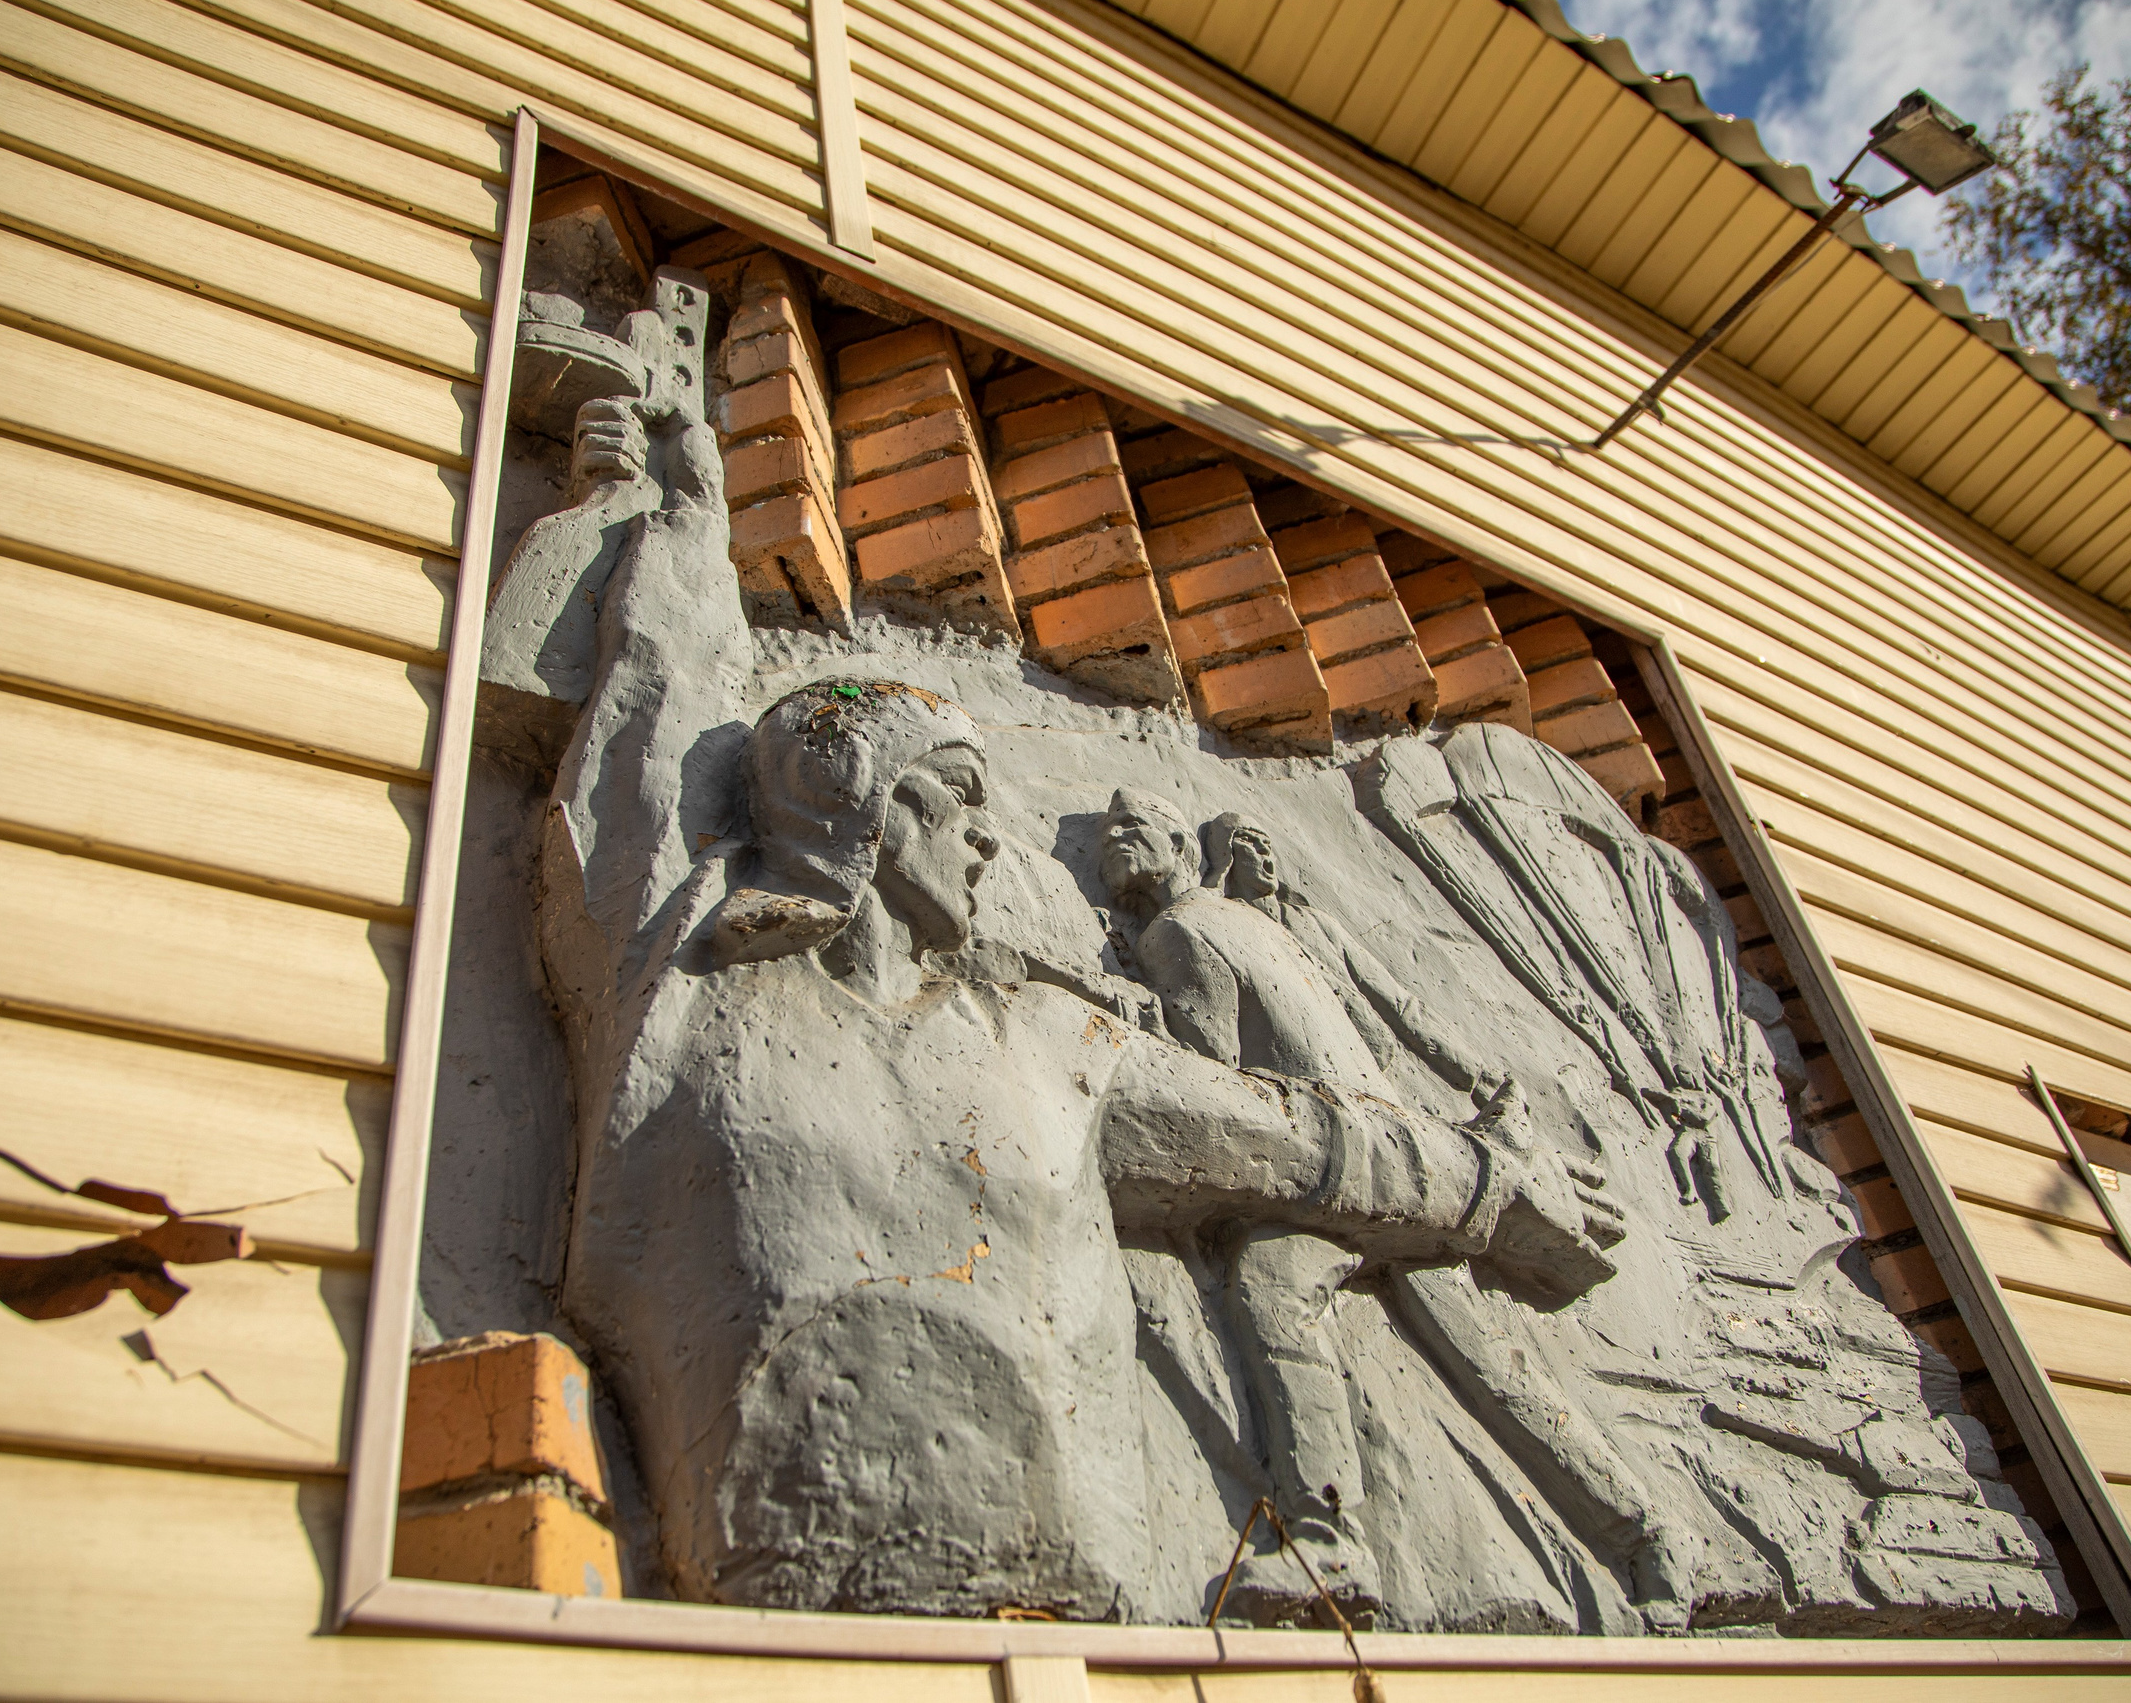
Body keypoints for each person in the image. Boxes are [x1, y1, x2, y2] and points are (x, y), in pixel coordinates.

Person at [523, 395, 1610, 1620]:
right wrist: (677, 515)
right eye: (959, 794)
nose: (993, 835)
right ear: (852, 802)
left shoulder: (1052, 1042)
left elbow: (1302, 1142)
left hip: (1079, 1619)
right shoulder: (685, 989)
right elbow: (654, 718)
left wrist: (1495, 1186)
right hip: (776, 1617)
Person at [1097, 789, 1625, 1624]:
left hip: (1338, 1170)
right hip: (1411, 1163)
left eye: (1131, 831)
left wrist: (1128, 995)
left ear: (1178, 846)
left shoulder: (1179, 931)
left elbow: (1213, 1075)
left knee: (1271, 1284)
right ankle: (1642, 1534)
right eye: (1105, 838)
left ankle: (1331, 1540)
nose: (1112, 844)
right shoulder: (1270, 929)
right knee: (1500, 1376)